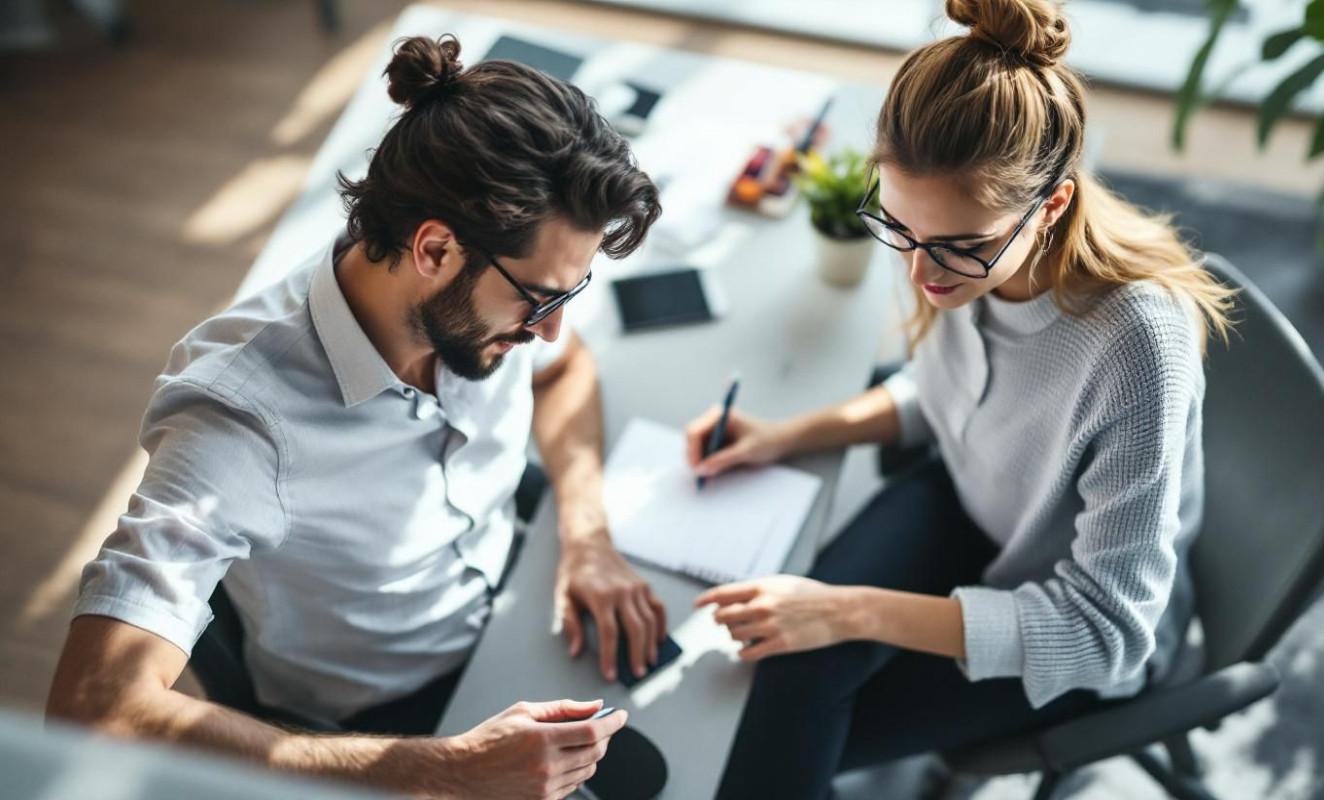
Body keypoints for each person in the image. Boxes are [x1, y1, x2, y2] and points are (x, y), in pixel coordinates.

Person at [47, 34, 666, 800]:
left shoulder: (486, 298)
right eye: (541, 300)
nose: (549, 329)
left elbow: (567, 369)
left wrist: (587, 536)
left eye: (567, 297)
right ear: (434, 249)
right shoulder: (238, 421)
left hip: (512, 607)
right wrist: (443, 772)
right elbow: (94, 706)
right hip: (388, 729)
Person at [682, 0, 1236, 796]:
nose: (919, 273)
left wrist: (848, 610)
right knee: (783, 679)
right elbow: (951, 399)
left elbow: (1106, 634)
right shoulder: (953, 247)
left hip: (1065, 620)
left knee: (778, 738)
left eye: (957, 247)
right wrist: (786, 435)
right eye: (899, 228)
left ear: (1050, 207)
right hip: (971, 503)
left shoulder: (1135, 346)